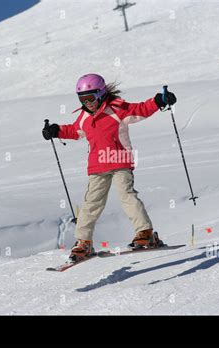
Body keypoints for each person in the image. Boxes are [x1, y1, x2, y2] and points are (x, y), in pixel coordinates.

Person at [42, 73, 176, 262]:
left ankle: (145, 233)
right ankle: (84, 242)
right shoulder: (83, 117)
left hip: (120, 161)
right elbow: (74, 131)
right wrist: (56, 130)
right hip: (97, 166)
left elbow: (140, 109)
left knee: (126, 195)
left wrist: (159, 100)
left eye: (90, 98)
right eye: (82, 99)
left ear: (101, 93)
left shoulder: (117, 109)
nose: (87, 103)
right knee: (92, 203)